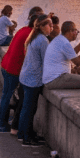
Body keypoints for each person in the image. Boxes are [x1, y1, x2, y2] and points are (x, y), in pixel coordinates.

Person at [0, 7, 44, 132]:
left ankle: (2, 121)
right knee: (9, 96)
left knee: (6, 95)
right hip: (13, 69)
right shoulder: (31, 35)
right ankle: (3, 124)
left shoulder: (23, 30)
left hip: (6, 65)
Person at [14, 14, 54, 146]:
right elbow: (47, 61)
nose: (52, 27)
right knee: (30, 109)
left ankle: (23, 134)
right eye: (49, 25)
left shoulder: (34, 37)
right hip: (33, 79)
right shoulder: (43, 40)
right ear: (42, 27)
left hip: (26, 76)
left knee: (26, 108)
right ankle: (27, 138)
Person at [42, 21, 80, 90]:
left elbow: (72, 53)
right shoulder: (64, 43)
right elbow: (78, 62)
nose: (77, 33)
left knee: (79, 73)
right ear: (70, 31)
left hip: (50, 79)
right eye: (76, 31)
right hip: (56, 79)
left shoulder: (60, 39)